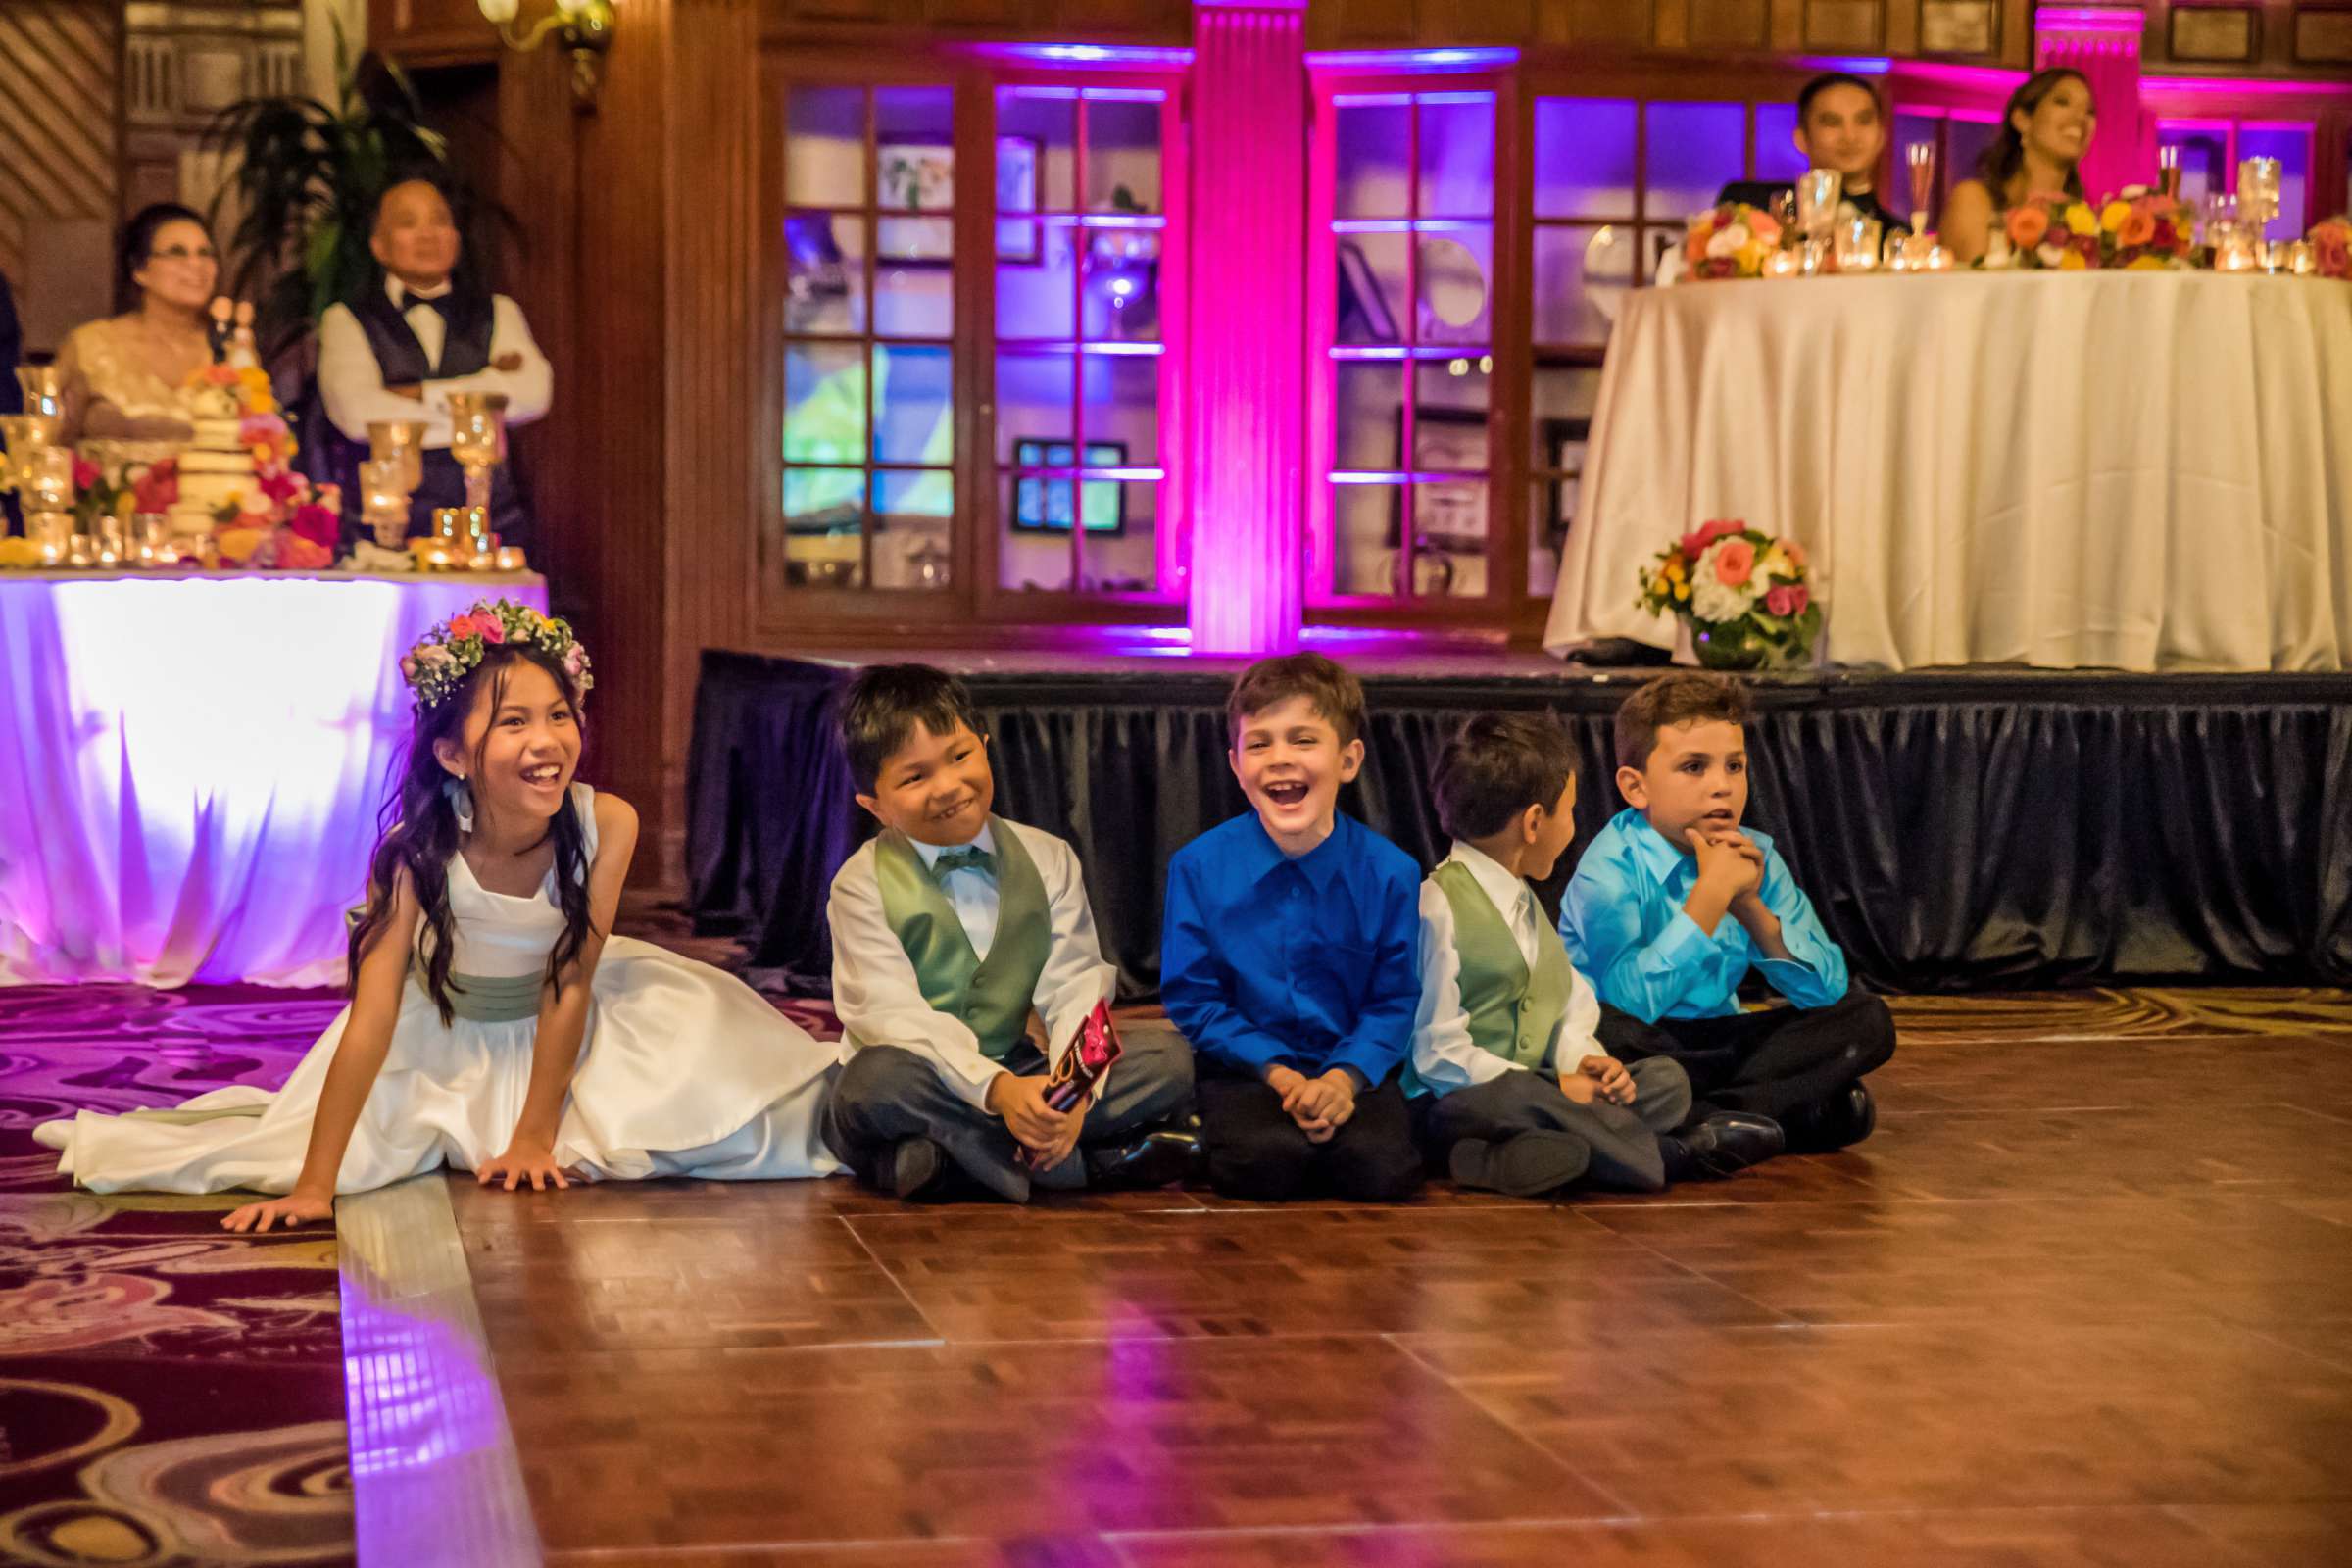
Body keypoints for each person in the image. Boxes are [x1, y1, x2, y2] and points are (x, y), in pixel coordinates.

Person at [36, 601, 848, 1223]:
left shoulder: (610, 825)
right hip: (442, 1035)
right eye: (514, 722)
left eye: (559, 715)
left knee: (747, 1129)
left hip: (577, 1020)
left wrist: (534, 1133)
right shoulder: (413, 856)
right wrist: (317, 1189)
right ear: (454, 754)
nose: (547, 741)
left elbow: (571, 982)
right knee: (329, 1158)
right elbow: (374, 1015)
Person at [819, 664, 1197, 1202]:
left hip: (1021, 1068)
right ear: (874, 806)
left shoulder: (1049, 858)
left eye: (960, 756)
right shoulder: (859, 885)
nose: (948, 786)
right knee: (869, 1086)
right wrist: (997, 1091)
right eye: (915, 777)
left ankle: (941, 1163)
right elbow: (889, 1016)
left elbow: (1076, 988)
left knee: (1169, 1059)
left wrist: (1070, 1099)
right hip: (924, 1075)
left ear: (986, 745)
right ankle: (1084, 1167)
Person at [1407, 714, 1784, 1198]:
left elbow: (1569, 1006)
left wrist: (1584, 1061)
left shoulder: (1527, 904)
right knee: (1508, 1100)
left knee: (1665, 1081)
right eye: (1569, 812)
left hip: (1541, 1095)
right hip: (1462, 1099)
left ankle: (1504, 1158)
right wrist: (1556, 1087)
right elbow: (1437, 1055)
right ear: (1534, 823)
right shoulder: (1437, 905)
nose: (1574, 826)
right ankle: (1670, 1156)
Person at [1562, 672, 1894, 1152]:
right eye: (1694, 767)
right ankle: (1777, 1112)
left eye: (1734, 767)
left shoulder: (1754, 854)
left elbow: (1825, 991)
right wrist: (1710, 896)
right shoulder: (1608, 867)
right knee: (1612, 1031)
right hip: (1639, 1048)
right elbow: (1629, 1001)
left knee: (1866, 1018)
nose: (1721, 786)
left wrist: (1748, 905)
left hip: (1718, 1041)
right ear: (1637, 788)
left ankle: (1710, 1120)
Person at [1161, 654, 1426, 1202]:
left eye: (1303, 740)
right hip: (1249, 1070)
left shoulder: (1392, 873)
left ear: (1349, 760)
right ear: (1236, 766)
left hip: (1351, 1066)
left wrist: (1341, 1079)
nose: (1280, 760)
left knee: (1381, 1170)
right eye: (1260, 744)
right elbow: (1195, 999)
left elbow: (1394, 999)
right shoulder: (1198, 867)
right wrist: (1280, 1075)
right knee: (1264, 1164)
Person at [317, 174, 551, 555]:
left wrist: (418, 394)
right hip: (387, 536)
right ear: (379, 246)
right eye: (409, 223)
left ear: (456, 238)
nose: (428, 234)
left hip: (493, 527)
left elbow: (534, 394)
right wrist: (483, 400)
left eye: (440, 221)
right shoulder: (346, 319)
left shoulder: (499, 312)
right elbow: (358, 415)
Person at [53, 203, 220, 447]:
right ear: (140, 270)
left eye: (205, 253)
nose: (196, 264)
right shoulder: (91, 345)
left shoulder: (228, 350)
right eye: (177, 252)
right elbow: (51, 443)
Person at [1939, 68, 2097, 265]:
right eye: (2063, 102)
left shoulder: (2086, 223)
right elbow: (1972, 290)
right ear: (2022, 120)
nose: (2081, 117)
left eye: (2090, 111)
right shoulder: (1975, 200)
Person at [1717, 73, 1906, 235]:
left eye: (1863, 121)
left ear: (1881, 136)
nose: (1850, 136)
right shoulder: (1749, 206)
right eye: (1832, 122)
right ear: (1802, 139)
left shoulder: (1901, 236)